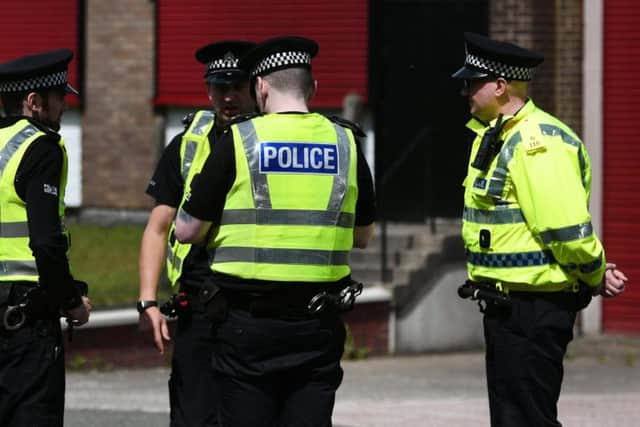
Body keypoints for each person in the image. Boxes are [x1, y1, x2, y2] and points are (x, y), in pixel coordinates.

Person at [174, 36, 376, 427]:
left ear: (260, 86)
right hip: (318, 323)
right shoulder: (347, 143)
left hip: (247, 325)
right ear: (312, 88)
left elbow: (186, 231)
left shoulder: (240, 140)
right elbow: (363, 237)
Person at [452, 32, 628, 427]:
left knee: (528, 419)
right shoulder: (499, 137)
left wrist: (596, 271)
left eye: (471, 83)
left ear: (500, 86)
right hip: (507, 308)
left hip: (532, 310)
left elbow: (565, 229)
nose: (466, 93)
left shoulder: (537, 142)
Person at [137, 40, 256, 426]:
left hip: (250, 304)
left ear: (257, 87)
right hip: (198, 307)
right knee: (192, 415)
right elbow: (158, 226)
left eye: (238, 86)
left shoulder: (268, 140)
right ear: (208, 90)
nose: (229, 97)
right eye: (221, 88)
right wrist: (147, 301)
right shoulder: (188, 142)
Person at [0, 49, 92, 426]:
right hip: (22, 321)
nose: (65, 107)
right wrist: (71, 301)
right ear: (34, 102)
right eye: (60, 98)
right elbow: (46, 243)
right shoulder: (41, 149)